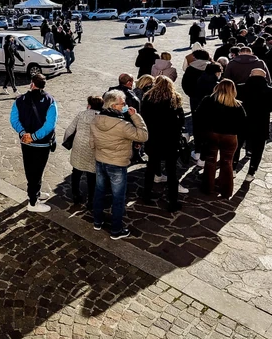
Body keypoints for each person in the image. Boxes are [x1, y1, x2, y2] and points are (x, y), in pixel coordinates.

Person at [90, 90, 148, 237]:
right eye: (123, 103)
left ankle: (97, 222)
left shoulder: (96, 119)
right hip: (117, 163)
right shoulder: (122, 124)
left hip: (100, 160)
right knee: (118, 197)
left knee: (99, 192)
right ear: (114, 106)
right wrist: (135, 116)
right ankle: (116, 230)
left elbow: (91, 142)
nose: (125, 105)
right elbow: (143, 135)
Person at [9, 74, 58, 213]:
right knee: (37, 171)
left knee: (30, 169)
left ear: (32, 84)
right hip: (41, 144)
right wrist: (35, 136)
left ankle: (34, 192)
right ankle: (33, 202)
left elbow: (14, 119)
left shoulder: (20, 100)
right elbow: (50, 125)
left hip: (26, 143)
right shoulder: (50, 101)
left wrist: (24, 134)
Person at [140, 76, 188, 209]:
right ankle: (173, 201)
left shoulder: (148, 98)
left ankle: (146, 194)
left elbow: (143, 118)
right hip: (170, 140)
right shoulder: (175, 99)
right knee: (172, 171)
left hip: (153, 138)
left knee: (151, 167)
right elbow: (181, 120)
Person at [195, 79, 246, 197]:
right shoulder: (237, 105)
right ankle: (226, 191)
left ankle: (208, 188)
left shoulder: (208, 100)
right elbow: (243, 123)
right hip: (230, 137)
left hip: (212, 134)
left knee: (210, 161)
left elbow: (198, 115)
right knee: (227, 162)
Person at [236, 69, 272, 177]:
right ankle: (251, 172)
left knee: (236, 146)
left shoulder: (241, 87)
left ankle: (232, 168)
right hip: (261, 123)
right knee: (257, 149)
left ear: (250, 75)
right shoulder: (270, 90)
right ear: (264, 77)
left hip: (242, 121)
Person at [63, 96, 103, 210]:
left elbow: (70, 129)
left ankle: (76, 194)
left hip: (79, 146)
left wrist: (66, 141)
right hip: (93, 148)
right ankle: (91, 200)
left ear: (89, 104)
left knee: (76, 172)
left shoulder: (81, 114)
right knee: (92, 175)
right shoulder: (101, 117)